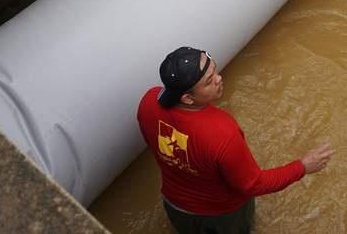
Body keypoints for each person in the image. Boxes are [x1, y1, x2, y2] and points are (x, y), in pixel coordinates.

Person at [137, 46, 334, 234]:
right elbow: (253, 185)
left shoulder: (148, 102)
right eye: (209, 81)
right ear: (187, 98)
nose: (219, 78)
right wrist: (302, 166)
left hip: (175, 207)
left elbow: (156, 146)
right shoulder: (223, 132)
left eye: (214, 70)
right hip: (223, 215)